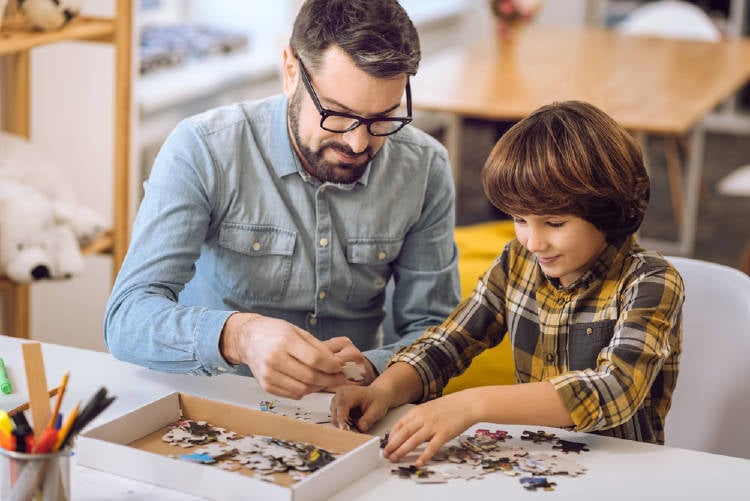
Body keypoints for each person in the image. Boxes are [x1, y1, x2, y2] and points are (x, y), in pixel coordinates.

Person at [104, 0, 460, 399]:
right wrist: (241, 336)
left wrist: (377, 367)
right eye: (338, 115)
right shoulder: (204, 149)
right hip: (216, 405)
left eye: (383, 118)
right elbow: (127, 319)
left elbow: (437, 331)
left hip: (355, 411)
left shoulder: (424, 167)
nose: (359, 143)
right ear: (290, 72)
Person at [331, 100, 685, 466]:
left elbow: (616, 388)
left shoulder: (651, 281)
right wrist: (383, 390)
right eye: (519, 219)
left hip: (624, 472)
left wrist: (472, 404)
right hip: (534, 463)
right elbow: (449, 342)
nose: (533, 241)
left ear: (609, 210)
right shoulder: (518, 260)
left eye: (555, 223)